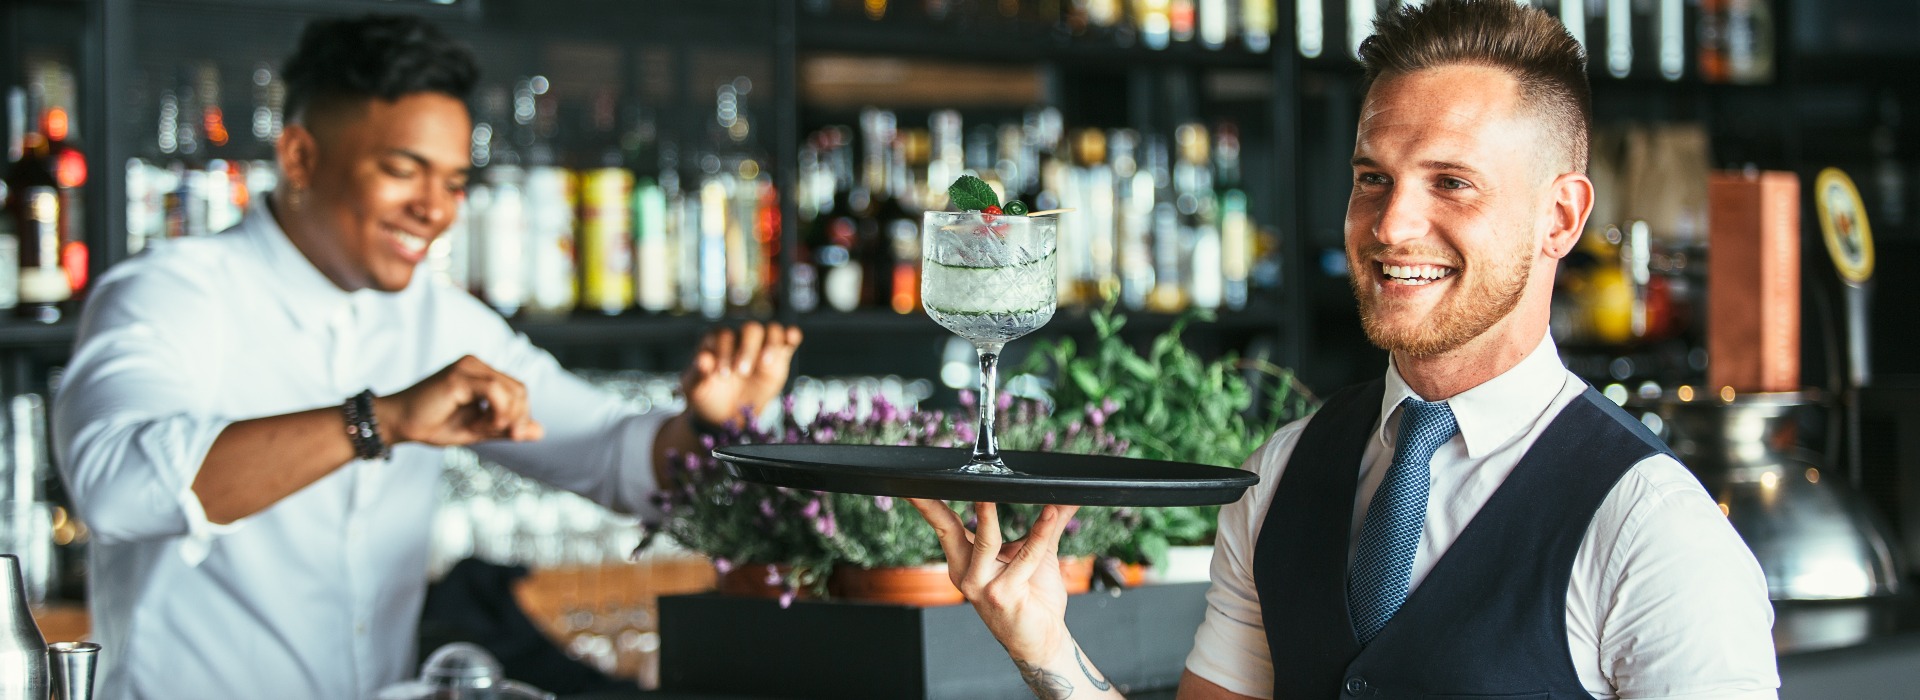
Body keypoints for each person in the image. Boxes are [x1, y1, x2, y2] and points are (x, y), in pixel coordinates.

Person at [912, 1, 1779, 698]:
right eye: (1374, 178)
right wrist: (1043, 645)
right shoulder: (1284, 474)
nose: (1393, 225)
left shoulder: (1654, 530)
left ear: (1560, 217)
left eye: (1451, 182)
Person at [52, 14, 800, 700]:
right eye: (404, 170)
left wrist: (705, 423)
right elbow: (115, 489)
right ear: (302, 156)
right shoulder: (171, 295)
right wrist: (379, 420)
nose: (435, 209)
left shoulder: (438, 319)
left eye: (452, 182)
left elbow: (611, 455)